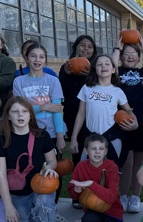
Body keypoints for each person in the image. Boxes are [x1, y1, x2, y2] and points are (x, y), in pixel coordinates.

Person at [0, 97, 58, 222]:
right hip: (18, 196)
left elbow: (52, 161)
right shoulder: (1, 138)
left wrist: (49, 169)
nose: (20, 115)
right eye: (15, 111)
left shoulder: (42, 135)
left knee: (43, 203)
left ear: (30, 115)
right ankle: (49, 220)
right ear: (8, 116)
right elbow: (0, 173)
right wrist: (8, 206)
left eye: (24, 111)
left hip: (40, 188)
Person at [12, 42, 69, 222]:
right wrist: (43, 107)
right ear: (26, 58)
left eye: (41, 57)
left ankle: (51, 209)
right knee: (31, 169)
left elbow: (57, 110)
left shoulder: (52, 81)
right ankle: (31, 209)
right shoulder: (19, 81)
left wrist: (60, 136)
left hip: (50, 133)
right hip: (27, 132)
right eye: (33, 56)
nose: (37, 60)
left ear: (45, 60)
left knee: (53, 173)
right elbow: (19, 109)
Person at [112, 36, 143, 214]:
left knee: (139, 162)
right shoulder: (117, 71)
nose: (130, 56)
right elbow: (111, 66)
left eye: (134, 54)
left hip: (141, 123)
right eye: (126, 53)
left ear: (139, 57)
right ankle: (123, 196)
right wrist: (118, 47)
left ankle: (135, 197)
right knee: (125, 162)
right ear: (122, 56)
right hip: (122, 122)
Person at [69, 55, 138, 173]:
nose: (103, 66)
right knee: (85, 171)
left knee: (111, 173)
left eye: (107, 64)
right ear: (95, 69)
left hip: (111, 138)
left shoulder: (117, 91)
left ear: (113, 70)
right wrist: (74, 138)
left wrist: (135, 122)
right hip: (90, 137)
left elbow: (128, 110)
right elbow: (81, 114)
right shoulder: (87, 88)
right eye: (99, 64)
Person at [68, 133, 129, 222]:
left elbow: (111, 197)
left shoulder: (111, 167)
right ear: (86, 150)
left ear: (106, 151)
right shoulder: (80, 167)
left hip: (112, 211)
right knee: (88, 220)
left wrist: (91, 184)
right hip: (93, 210)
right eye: (93, 148)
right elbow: (73, 194)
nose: (97, 152)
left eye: (101, 149)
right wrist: (77, 191)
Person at [59, 35, 97, 212]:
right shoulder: (66, 67)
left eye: (90, 47)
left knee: (92, 150)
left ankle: (92, 188)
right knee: (77, 151)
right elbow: (61, 90)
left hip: (92, 114)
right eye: (83, 46)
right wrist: (66, 75)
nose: (86, 49)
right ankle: (77, 191)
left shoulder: (95, 68)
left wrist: (90, 74)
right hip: (73, 114)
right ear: (76, 47)